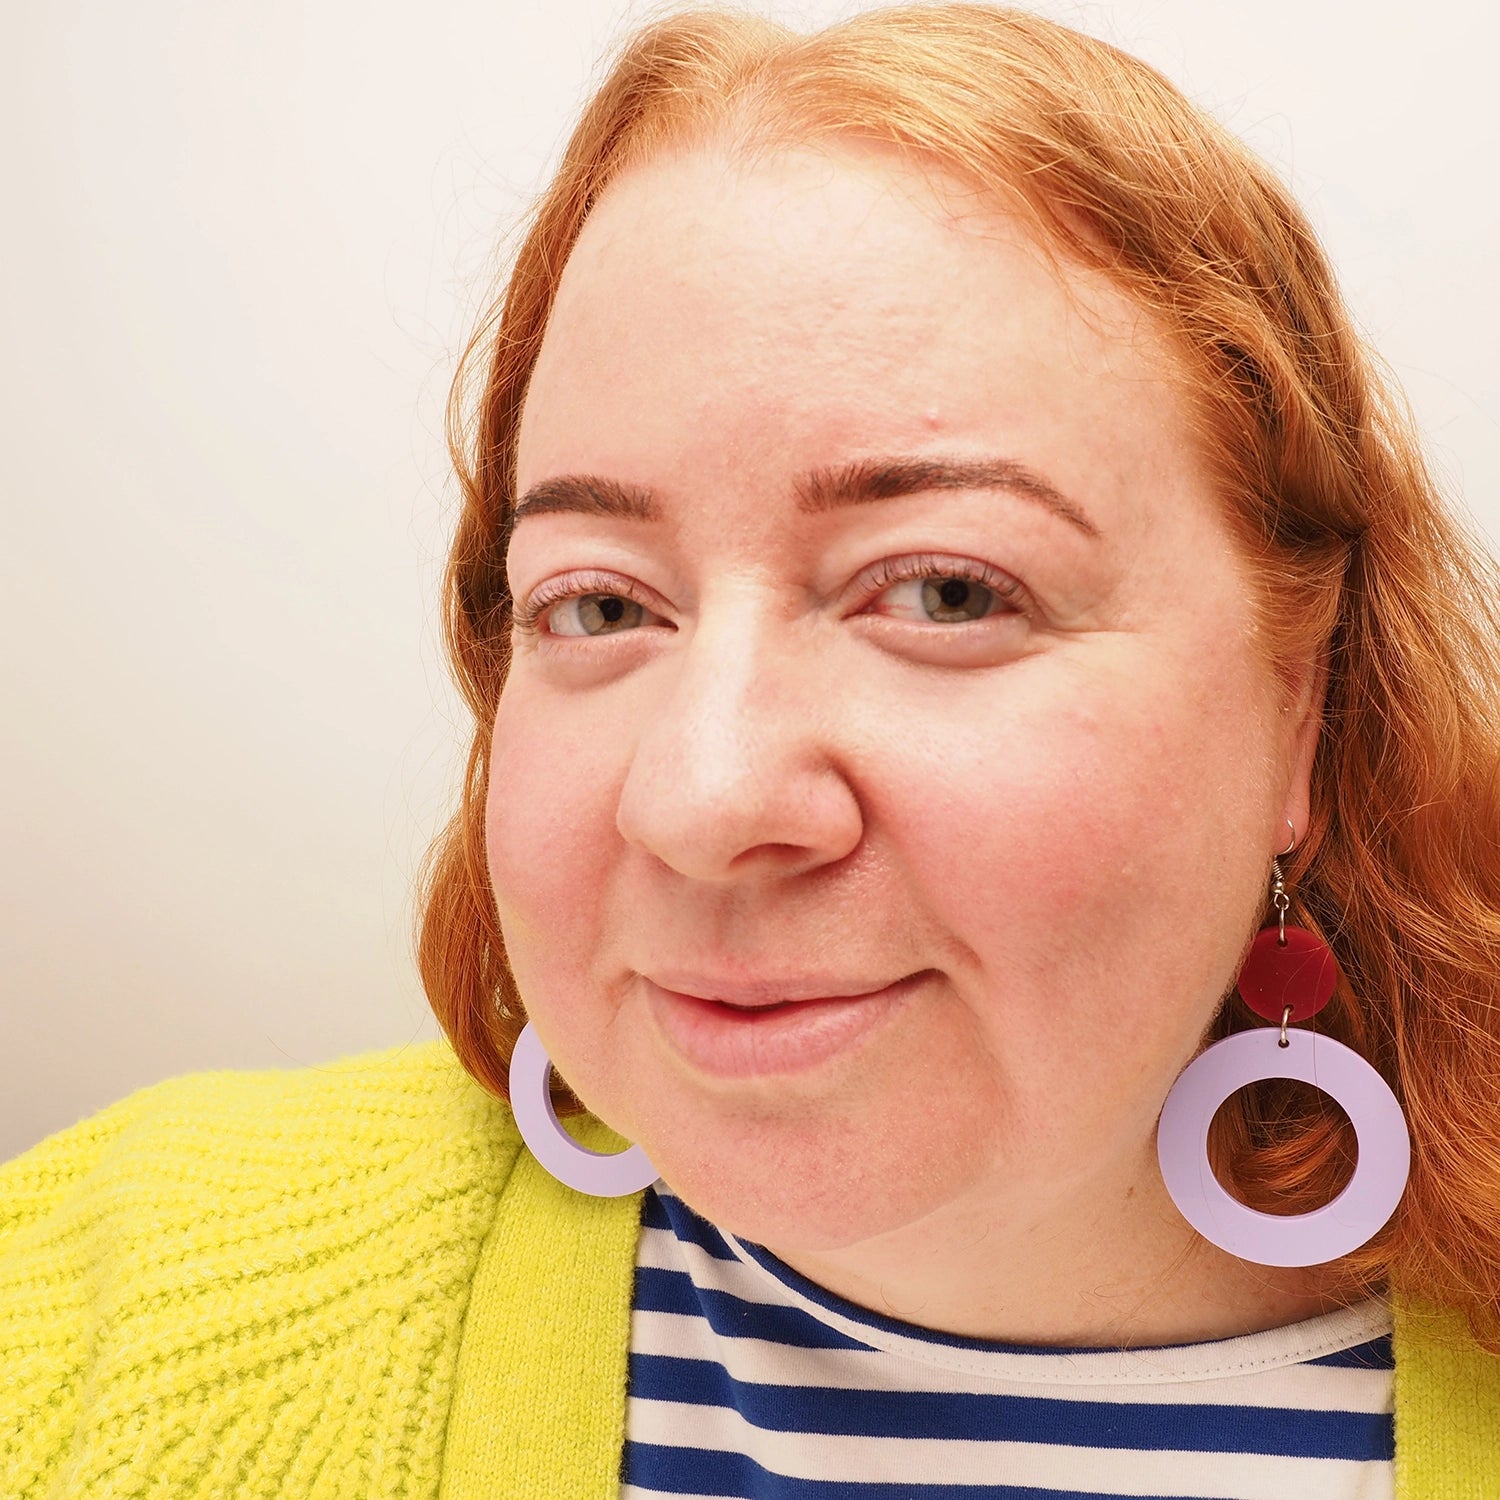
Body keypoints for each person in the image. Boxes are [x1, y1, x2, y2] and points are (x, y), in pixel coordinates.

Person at [4, 4, 1500, 1496]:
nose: (701, 797)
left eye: (948, 590)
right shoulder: (101, 1307)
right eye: (597, 602)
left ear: (1302, 703)